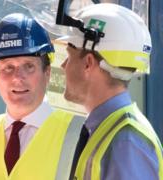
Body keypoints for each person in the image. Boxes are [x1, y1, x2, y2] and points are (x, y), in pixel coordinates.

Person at [0, 13, 85, 180]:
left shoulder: (80, 136)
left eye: (29, 66)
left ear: (47, 73)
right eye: (8, 67)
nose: (18, 77)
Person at [58, 3, 163, 180]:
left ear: (88, 63)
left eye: (69, 56)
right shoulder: (110, 129)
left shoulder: (125, 142)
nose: (62, 66)